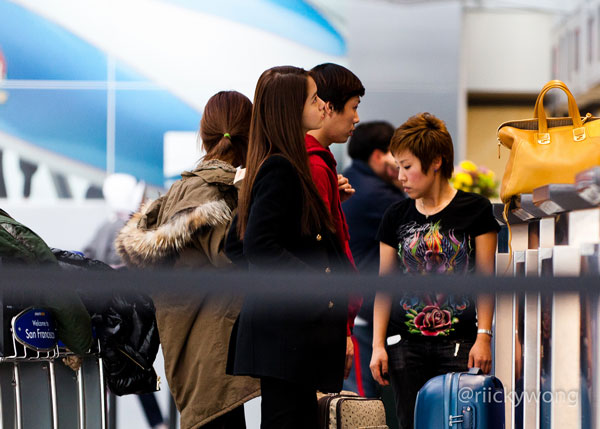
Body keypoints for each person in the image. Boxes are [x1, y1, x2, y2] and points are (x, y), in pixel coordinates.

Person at [115, 91, 260, 429]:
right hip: (215, 353)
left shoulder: (182, 190)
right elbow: (234, 259)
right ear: (251, 134)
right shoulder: (217, 195)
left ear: (204, 133)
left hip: (188, 349)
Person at [229, 66, 351, 429]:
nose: (322, 106)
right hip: (287, 334)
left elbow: (238, 244)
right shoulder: (280, 167)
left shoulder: (276, 163)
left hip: (287, 334)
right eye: (314, 99)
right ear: (290, 107)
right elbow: (256, 245)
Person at [369, 113, 499, 429]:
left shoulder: (476, 210)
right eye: (398, 166)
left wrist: (484, 337)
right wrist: (377, 345)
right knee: (410, 422)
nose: (400, 175)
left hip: (460, 344)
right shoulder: (395, 215)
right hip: (404, 345)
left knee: (460, 421)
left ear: (436, 162)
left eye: (407, 166)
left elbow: (486, 279)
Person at [305, 62, 365, 380]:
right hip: (327, 325)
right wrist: (341, 331)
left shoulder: (320, 165)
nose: (356, 118)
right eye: (353, 108)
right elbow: (322, 254)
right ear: (327, 107)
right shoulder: (314, 166)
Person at [341, 121, 406, 398]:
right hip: (364, 317)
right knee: (360, 405)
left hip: (358, 312)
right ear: (379, 156)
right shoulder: (378, 195)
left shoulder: (352, 179)